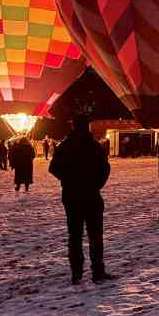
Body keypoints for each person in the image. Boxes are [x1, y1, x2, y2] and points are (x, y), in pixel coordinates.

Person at [49, 114, 113, 284]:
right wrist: (97, 184)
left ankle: (76, 273)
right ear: (88, 126)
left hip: (71, 195)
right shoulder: (95, 146)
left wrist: (67, 179)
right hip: (92, 194)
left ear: (73, 126)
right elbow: (105, 168)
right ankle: (97, 271)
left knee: (75, 236)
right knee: (95, 235)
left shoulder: (64, 146)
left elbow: (53, 168)